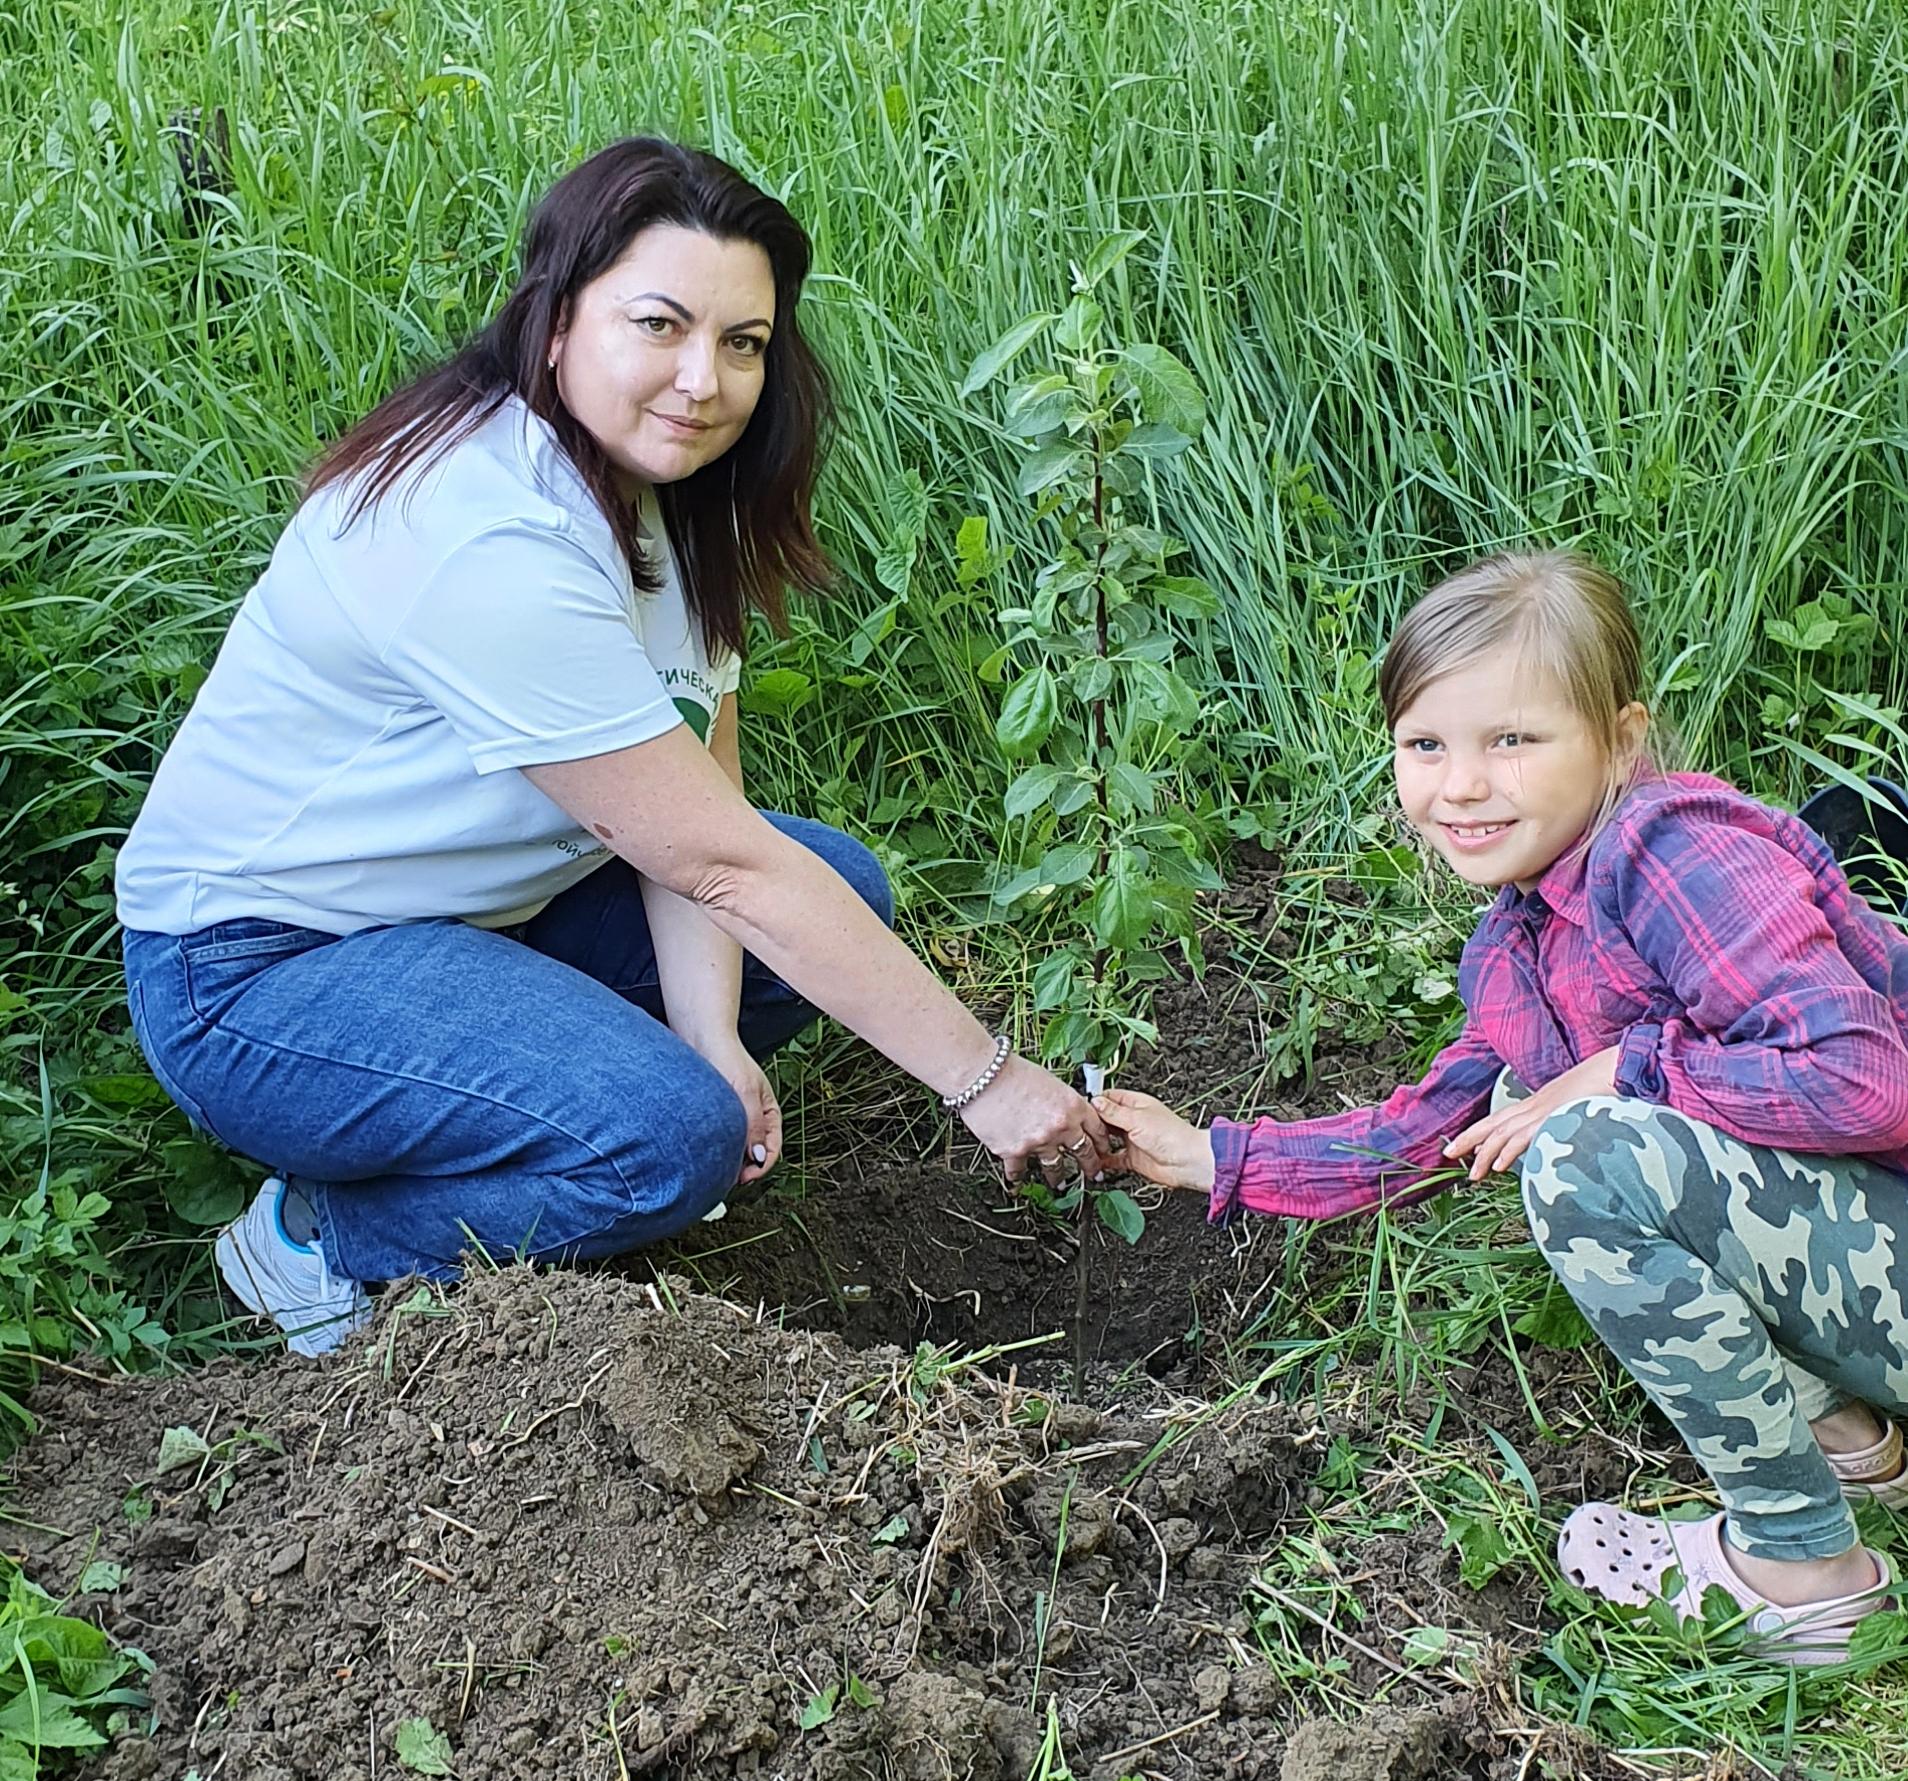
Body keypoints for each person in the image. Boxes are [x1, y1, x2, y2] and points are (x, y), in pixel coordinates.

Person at [116, 138, 1107, 1358]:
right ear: (555, 323)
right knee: (666, 1142)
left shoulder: (664, 503)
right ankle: (322, 1237)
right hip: (260, 971)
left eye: (744, 342)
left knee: (838, 888)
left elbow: (706, 805)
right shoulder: (487, 533)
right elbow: (722, 864)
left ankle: (529, 1097)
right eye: (660, 324)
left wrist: (711, 1030)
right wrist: (987, 1079)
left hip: (461, 917)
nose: (704, 379)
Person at [1097, 550, 1908, 1662]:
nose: (1462, 785)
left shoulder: (1671, 853)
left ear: (1620, 740)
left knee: (1585, 1154)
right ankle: (1853, 1445)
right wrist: (1203, 1155)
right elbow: (1425, 1132)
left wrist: (1625, 1066)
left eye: (1511, 739)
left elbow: (1863, 1080)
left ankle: (1805, 1572)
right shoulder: (1518, 942)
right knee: (1559, 1115)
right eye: (1425, 744)